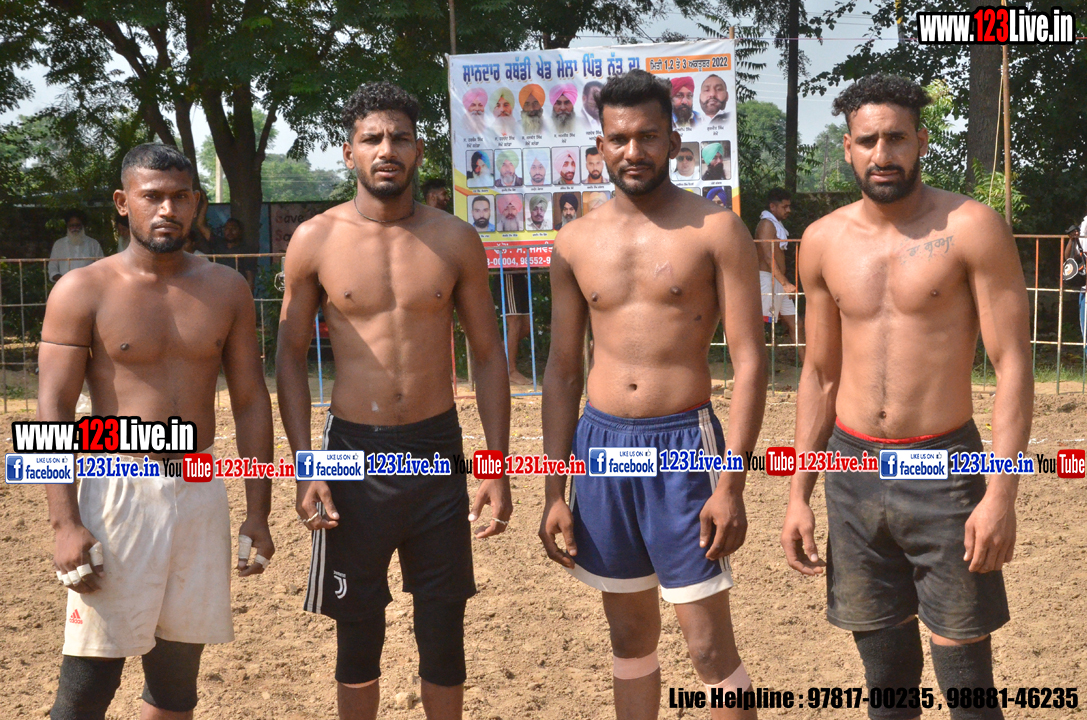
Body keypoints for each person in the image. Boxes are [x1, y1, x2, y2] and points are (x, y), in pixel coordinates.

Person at [780, 74, 1032, 720]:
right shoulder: (822, 241)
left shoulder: (972, 228)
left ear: (920, 140)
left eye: (895, 138)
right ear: (846, 147)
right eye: (867, 140)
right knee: (886, 676)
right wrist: (797, 494)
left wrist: (1000, 494)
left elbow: (1011, 364)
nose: (882, 153)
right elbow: (819, 375)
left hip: (944, 470)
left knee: (966, 683)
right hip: (853, 471)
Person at [276, 81, 511, 720]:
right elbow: (288, 357)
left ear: (419, 150)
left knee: (443, 626)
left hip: (436, 448)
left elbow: (488, 355)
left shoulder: (455, 239)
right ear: (348, 151)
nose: (387, 150)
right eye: (372, 138)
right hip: (352, 454)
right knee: (357, 631)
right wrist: (306, 466)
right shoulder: (315, 240)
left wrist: (496, 465)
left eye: (400, 138)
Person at [540, 69, 767, 720]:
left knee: (708, 648)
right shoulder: (574, 241)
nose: (632, 151)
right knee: (629, 639)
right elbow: (562, 371)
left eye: (647, 136)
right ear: (600, 146)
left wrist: (731, 485)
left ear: (673, 140)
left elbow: (749, 361)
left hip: (683, 447)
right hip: (602, 447)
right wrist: (554, 491)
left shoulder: (715, 229)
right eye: (619, 138)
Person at [40, 142, 274, 720]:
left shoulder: (227, 289)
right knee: (86, 686)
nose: (167, 209)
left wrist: (258, 512)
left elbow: (250, 401)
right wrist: (65, 523)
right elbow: (54, 410)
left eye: (179, 197)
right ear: (123, 203)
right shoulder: (82, 289)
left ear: (196, 203)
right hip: (115, 487)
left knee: (176, 682)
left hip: (199, 484)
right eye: (152, 197)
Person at [754, 187, 803, 362]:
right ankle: (755, 369)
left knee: (796, 324)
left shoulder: (775, 224)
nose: (788, 210)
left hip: (778, 281)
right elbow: (769, 256)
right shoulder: (766, 224)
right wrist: (785, 283)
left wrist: (783, 282)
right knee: (761, 327)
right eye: (785, 207)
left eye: (789, 206)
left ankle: (808, 369)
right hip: (768, 281)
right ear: (772, 206)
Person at [48, 210, 104, 282]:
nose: (75, 228)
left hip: (88, 284)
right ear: (67, 226)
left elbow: (101, 267)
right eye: (72, 225)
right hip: (65, 285)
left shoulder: (93, 244)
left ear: (82, 226)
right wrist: (63, 281)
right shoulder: (59, 244)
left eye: (77, 225)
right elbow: (52, 268)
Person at [209, 217, 257, 292]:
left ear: (240, 231)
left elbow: (250, 278)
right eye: (227, 228)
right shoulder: (219, 243)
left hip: (237, 289)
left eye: (233, 229)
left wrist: (245, 296)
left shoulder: (245, 250)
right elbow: (200, 224)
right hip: (219, 288)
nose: (230, 232)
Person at [1063, 224, 1086, 343]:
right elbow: (1069, 258)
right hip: (1085, 292)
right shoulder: (1083, 243)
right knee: (1085, 331)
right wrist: (1072, 240)